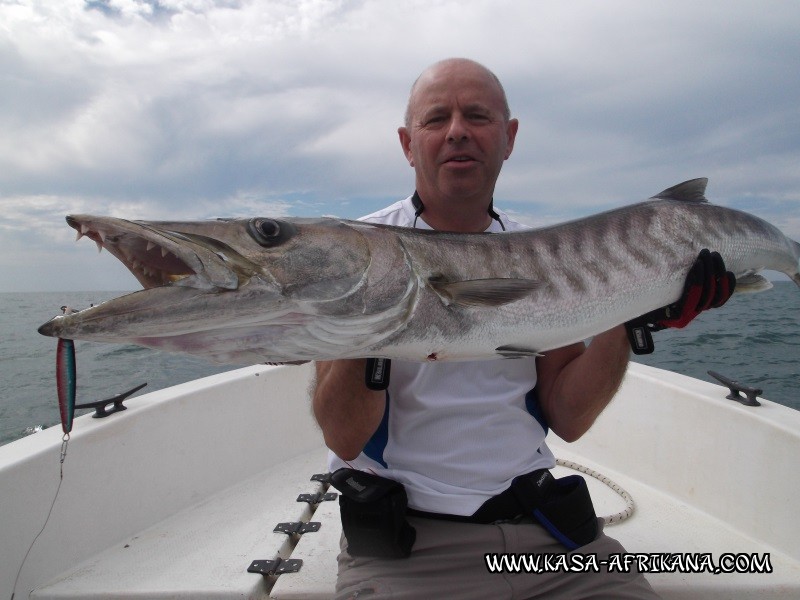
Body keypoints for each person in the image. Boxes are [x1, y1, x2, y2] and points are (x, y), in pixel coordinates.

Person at [313, 58, 732, 600]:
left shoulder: (545, 254)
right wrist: (371, 323)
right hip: (410, 553)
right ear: (406, 143)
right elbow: (343, 436)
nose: (458, 130)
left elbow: (568, 416)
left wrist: (627, 319)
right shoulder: (362, 253)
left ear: (509, 138)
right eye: (436, 118)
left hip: (550, 537)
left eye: (478, 116)